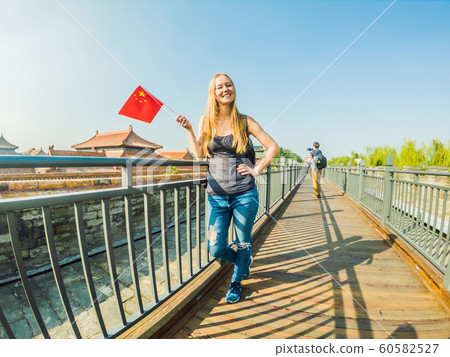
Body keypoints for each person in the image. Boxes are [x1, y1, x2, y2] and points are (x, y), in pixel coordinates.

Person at [176, 73, 279, 303]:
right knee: (215, 247)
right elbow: (200, 153)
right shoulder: (206, 120)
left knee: (243, 241)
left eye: (228, 85)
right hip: (217, 197)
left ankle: (236, 281)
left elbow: (273, 147)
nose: (225, 89)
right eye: (219, 87)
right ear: (213, 93)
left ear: (234, 89)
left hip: (244, 193)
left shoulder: (245, 121)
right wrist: (190, 130)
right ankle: (243, 262)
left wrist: (256, 169)